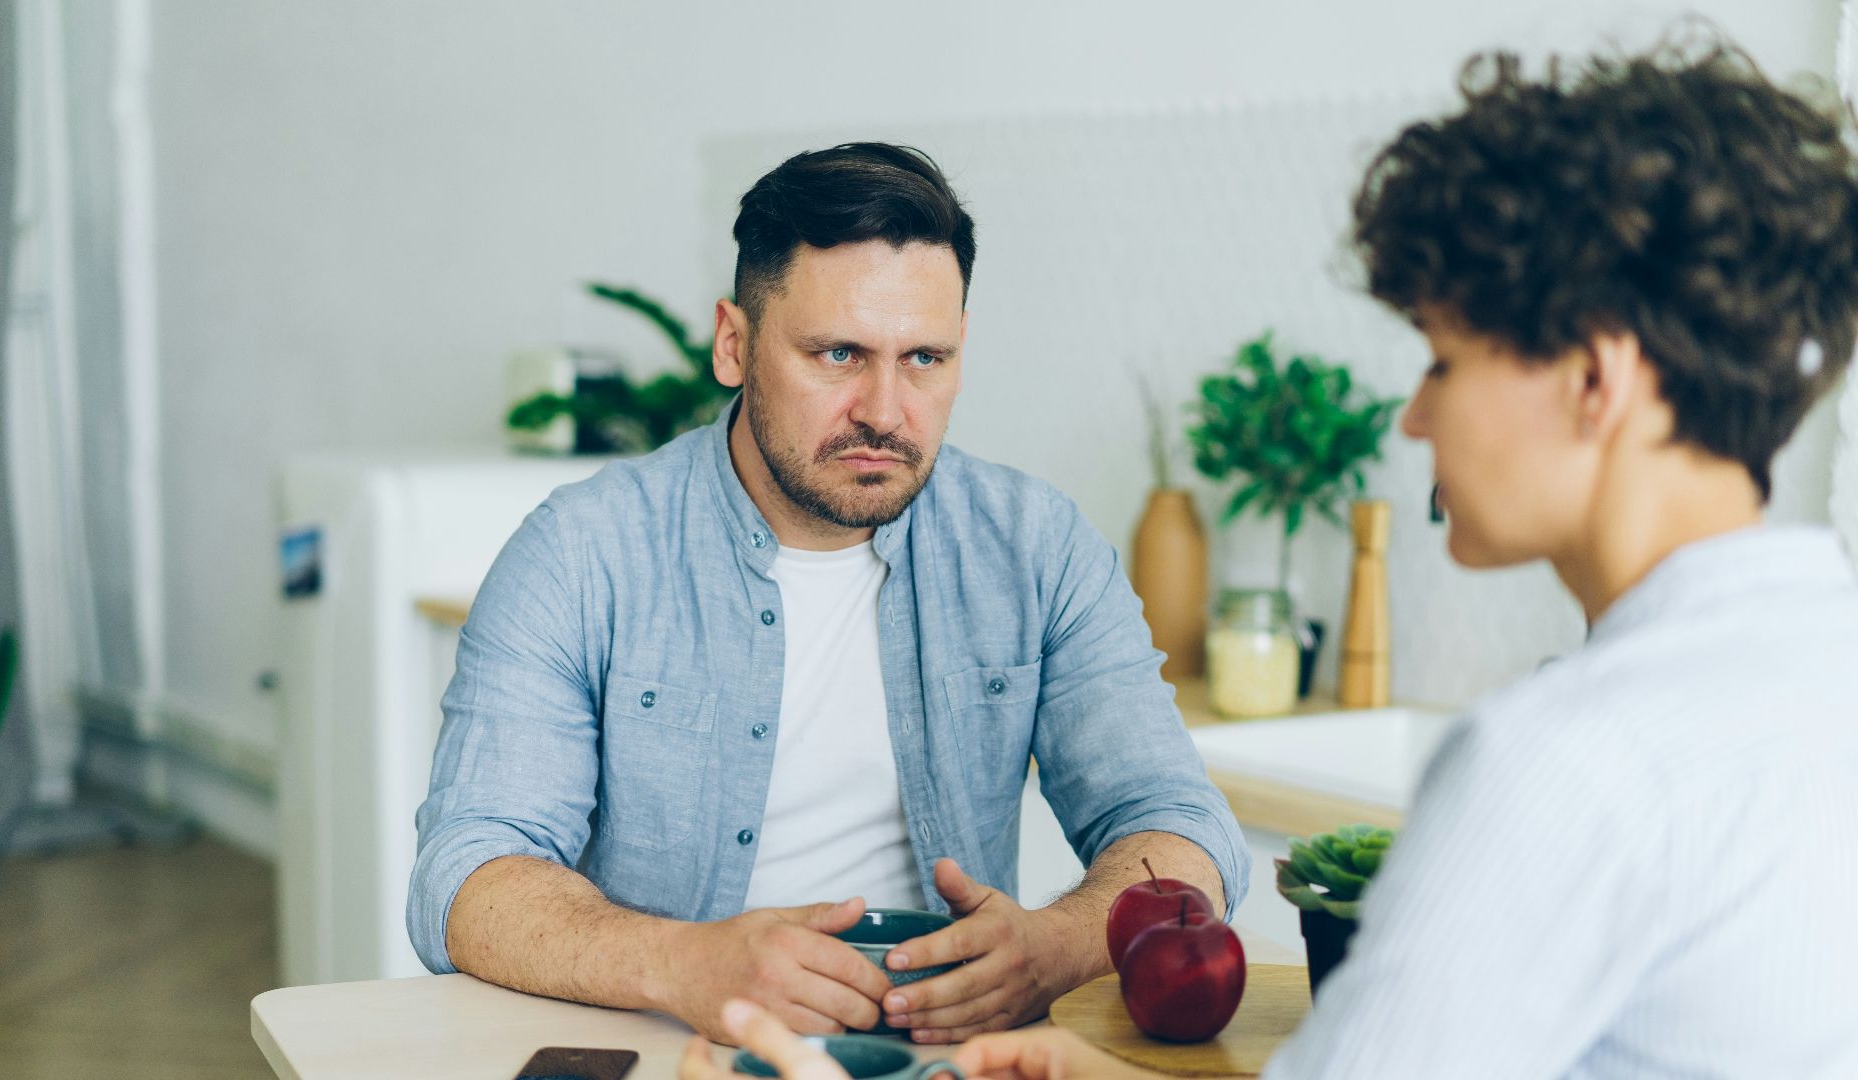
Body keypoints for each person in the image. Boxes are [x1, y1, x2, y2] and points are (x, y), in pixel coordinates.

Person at [688, 35, 1858, 1080]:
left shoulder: (1567, 764)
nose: (1416, 420)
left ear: (1594, 383)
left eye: (1445, 361)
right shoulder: (1823, 658)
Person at [408, 142, 1250, 1045]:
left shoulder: (1036, 547)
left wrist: (1058, 944)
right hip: (680, 1049)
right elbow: (467, 874)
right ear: (734, 344)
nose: (886, 411)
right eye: (840, 353)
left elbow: (1179, 827)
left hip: (948, 1061)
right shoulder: (581, 553)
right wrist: (682, 961)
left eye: (925, 358)